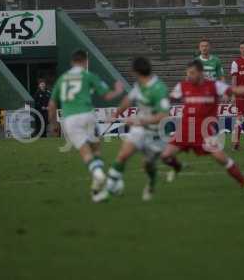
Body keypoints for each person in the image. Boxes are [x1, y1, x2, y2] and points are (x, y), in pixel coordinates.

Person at [161, 60, 244, 191]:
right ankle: (177, 167)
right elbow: (169, 98)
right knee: (165, 156)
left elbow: (235, 90)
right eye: (187, 73)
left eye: (192, 73)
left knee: (222, 158)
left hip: (204, 131)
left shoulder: (214, 86)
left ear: (201, 73)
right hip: (185, 130)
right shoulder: (182, 86)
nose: (189, 76)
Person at [48, 50, 124, 201]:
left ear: (72, 62)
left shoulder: (62, 79)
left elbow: (52, 104)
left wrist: (53, 123)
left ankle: (98, 176)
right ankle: (97, 186)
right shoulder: (89, 76)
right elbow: (107, 96)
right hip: (88, 115)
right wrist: (118, 90)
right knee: (96, 148)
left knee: (85, 151)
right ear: (85, 62)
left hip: (70, 119)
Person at [93, 57, 170, 202]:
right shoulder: (139, 85)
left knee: (147, 165)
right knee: (122, 156)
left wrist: (140, 120)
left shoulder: (159, 89)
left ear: (136, 72)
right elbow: (128, 101)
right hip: (139, 131)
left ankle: (151, 184)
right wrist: (115, 114)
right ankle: (108, 191)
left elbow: (163, 115)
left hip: (156, 134)